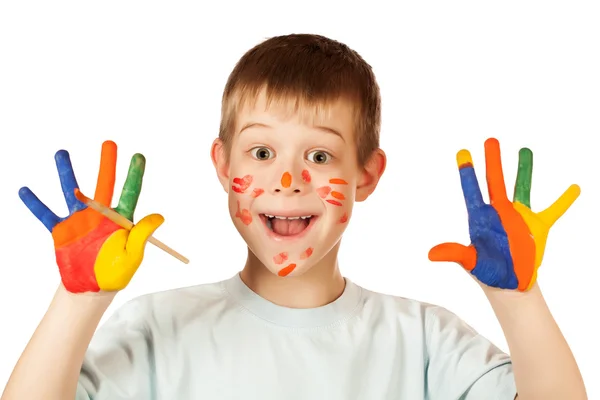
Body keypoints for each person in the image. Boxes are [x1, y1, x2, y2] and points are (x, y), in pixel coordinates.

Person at [1, 34, 587, 400]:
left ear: (366, 174)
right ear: (221, 162)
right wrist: (79, 300)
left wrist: (518, 297)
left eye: (319, 155)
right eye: (261, 154)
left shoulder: (424, 342)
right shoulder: (157, 330)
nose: (288, 179)